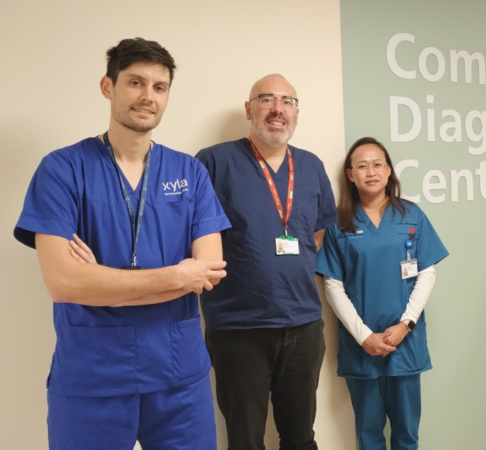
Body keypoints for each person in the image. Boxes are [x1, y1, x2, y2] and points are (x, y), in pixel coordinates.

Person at [13, 38, 231, 449]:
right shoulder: (61, 170)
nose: (148, 96)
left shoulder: (192, 173)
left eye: (159, 87)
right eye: (135, 82)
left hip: (179, 379)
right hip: (92, 378)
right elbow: (63, 283)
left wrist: (100, 282)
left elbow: (208, 273)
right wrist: (175, 275)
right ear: (107, 86)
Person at [196, 74, 337, 450]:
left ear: (296, 112)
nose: (278, 109)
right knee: (245, 441)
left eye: (287, 101)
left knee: (301, 438)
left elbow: (318, 233)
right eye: (267, 99)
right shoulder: (214, 161)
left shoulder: (311, 165)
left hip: (304, 324)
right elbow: (193, 236)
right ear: (249, 109)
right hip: (239, 328)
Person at [315, 137, 448, 450]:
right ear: (350, 174)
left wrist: (406, 326)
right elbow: (332, 285)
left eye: (377, 164)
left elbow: (426, 274)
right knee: (368, 433)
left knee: (407, 433)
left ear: (389, 170)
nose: (370, 172)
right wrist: (363, 336)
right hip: (361, 344)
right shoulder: (338, 223)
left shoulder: (412, 215)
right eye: (362, 166)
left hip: (405, 340)